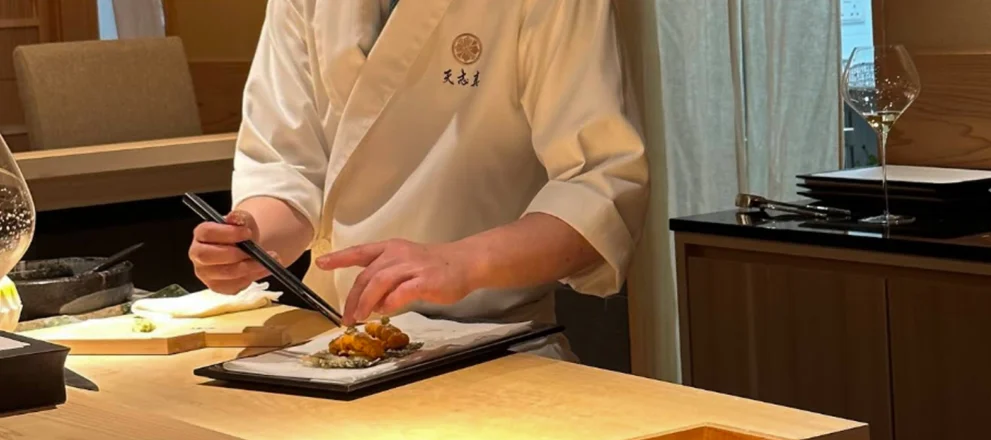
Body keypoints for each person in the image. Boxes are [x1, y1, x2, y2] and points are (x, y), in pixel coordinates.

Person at [188, 0, 649, 359]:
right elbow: (287, 165)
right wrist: (252, 242)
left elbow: (599, 184)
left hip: (491, 347)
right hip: (329, 339)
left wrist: (461, 263)